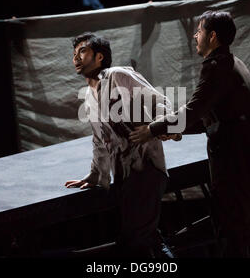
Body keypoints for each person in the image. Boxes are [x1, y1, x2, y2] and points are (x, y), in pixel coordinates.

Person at [130, 11, 250, 257]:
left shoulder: (216, 66)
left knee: (233, 234)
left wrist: (151, 130)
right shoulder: (234, 62)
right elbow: (216, 116)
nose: (195, 36)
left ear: (212, 36)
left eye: (199, 31)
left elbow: (193, 110)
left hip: (238, 162)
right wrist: (177, 133)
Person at [65, 32, 174, 258]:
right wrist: (95, 174)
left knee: (134, 241)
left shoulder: (118, 75)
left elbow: (160, 100)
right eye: (74, 54)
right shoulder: (88, 96)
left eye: (82, 51)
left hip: (146, 168)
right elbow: (100, 140)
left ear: (99, 57)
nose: (76, 58)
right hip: (124, 175)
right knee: (146, 237)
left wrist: (166, 128)